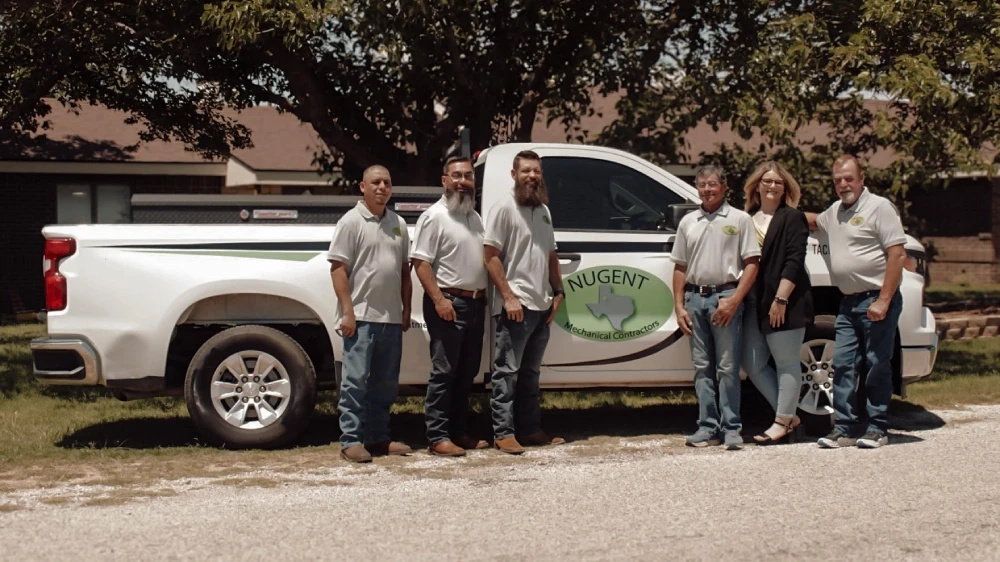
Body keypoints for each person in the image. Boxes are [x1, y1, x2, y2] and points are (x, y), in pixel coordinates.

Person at [807, 155, 907, 449]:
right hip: (848, 304)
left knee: (877, 364)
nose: (843, 184)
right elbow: (813, 220)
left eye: (849, 178)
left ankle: (878, 428)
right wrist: (777, 213)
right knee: (844, 363)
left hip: (877, 300)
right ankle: (846, 428)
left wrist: (884, 300)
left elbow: (897, 255)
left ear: (862, 179)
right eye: (837, 180)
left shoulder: (880, 207)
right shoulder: (834, 212)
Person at [328, 165, 413, 463]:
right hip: (361, 318)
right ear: (362, 187)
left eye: (387, 182)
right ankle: (350, 440)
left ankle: (378, 438)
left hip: (390, 319)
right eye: (375, 182)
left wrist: (406, 309)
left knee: (385, 384)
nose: (382, 187)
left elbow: (404, 271)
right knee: (355, 382)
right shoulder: (350, 222)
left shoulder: (399, 224)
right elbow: (338, 269)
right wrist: (347, 312)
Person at [672, 165, 760, 450]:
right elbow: (680, 266)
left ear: (724, 186)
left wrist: (734, 300)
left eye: (712, 184)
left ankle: (732, 428)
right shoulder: (688, 222)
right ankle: (707, 427)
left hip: (726, 298)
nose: (707, 190)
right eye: (702, 185)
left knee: (727, 367)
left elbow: (751, 264)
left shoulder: (740, 219)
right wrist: (679, 305)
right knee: (702, 368)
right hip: (695, 299)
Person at [483, 150, 565, 455]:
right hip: (515, 307)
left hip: (541, 305)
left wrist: (558, 292)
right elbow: (490, 257)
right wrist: (508, 296)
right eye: (526, 170)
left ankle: (530, 430)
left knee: (531, 374)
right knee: (506, 372)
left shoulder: (543, 210)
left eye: (537, 171)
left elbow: (551, 255)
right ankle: (503, 433)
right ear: (514, 174)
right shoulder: (503, 209)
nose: (532, 176)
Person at [411, 156, 490, 457]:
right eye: (456, 176)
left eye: (468, 176)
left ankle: (459, 432)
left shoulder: (473, 216)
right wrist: (439, 300)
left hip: (475, 303)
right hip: (448, 303)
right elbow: (421, 263)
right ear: (444, 180)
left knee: (466, 372)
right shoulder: (434, 217)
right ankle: (437, 436)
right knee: (444, 371)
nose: (462, 181)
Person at [739, 161, 813, 445]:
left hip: (786, 302)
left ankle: (781, 421)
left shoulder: (792, 217)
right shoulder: (745, 219)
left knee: (786, 363)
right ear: (757, 185)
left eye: (778, 182)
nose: (772, 186)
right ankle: (791, 416)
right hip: (754, 303)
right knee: (752, 362)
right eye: (767, 181)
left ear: (786, 188)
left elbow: (795, 260)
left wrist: (781, 298)